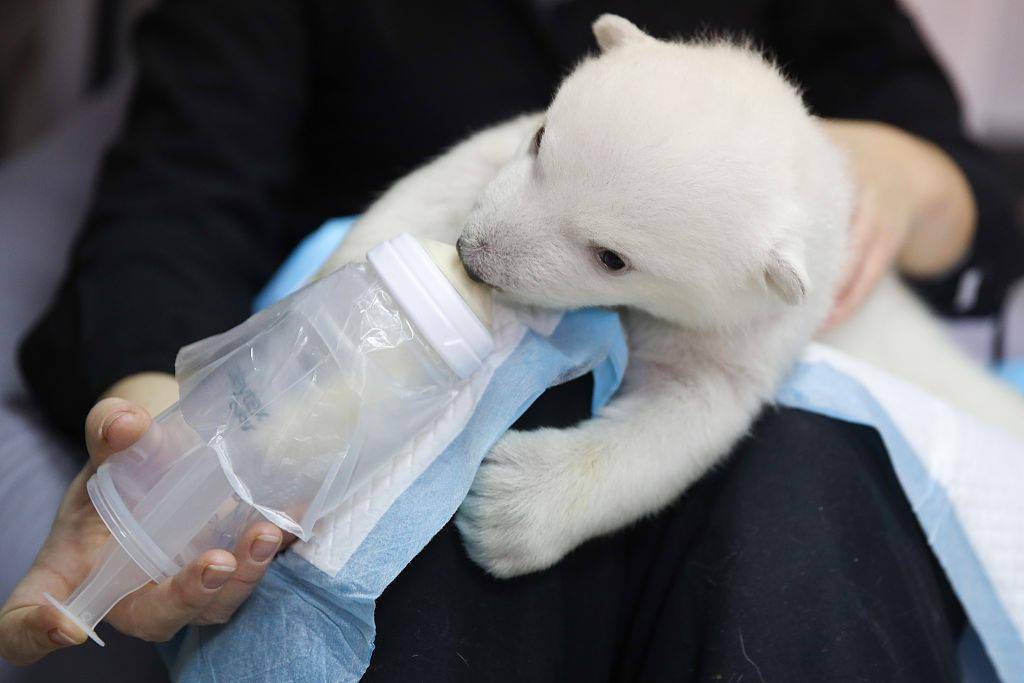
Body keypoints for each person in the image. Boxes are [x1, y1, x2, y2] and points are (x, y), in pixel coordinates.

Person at [2, 0, 1022, 678]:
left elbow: (970, 179)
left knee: (797, 483)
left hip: (770, 430)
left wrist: (905, 174)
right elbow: (174, 206)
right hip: (418, 391)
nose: (499, 242)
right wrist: (175, 458)